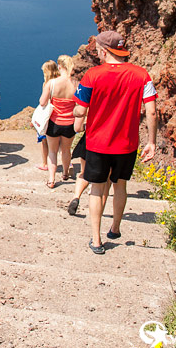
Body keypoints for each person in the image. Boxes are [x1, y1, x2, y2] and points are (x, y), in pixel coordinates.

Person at [74, 31, 157, 255]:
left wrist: (76, 115)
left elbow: (80, 109)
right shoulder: (142, 75)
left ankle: (97, 239)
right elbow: (151, 111)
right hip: (127, 143)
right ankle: (115, 228)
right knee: (120, 184)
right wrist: (151, 141)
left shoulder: (92, 75)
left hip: (97, 143)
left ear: (104, 50)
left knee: (97, 189)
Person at [40, 56, 78, 188]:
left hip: (54, 123)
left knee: (52, 151)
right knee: (66, 150)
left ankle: (51, 179)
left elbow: (42, 102)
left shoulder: (52, 83)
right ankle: (66, 173)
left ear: (59, 66)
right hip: (70, 124)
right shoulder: (76, 84)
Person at [36, 60, 59, 173]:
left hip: (48, 116)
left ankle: (45, 163)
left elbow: (43, 102)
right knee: (62, 145)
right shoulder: (61, 81)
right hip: (60, 116)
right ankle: (67, 164)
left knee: (44, 141)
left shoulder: (47, 84)